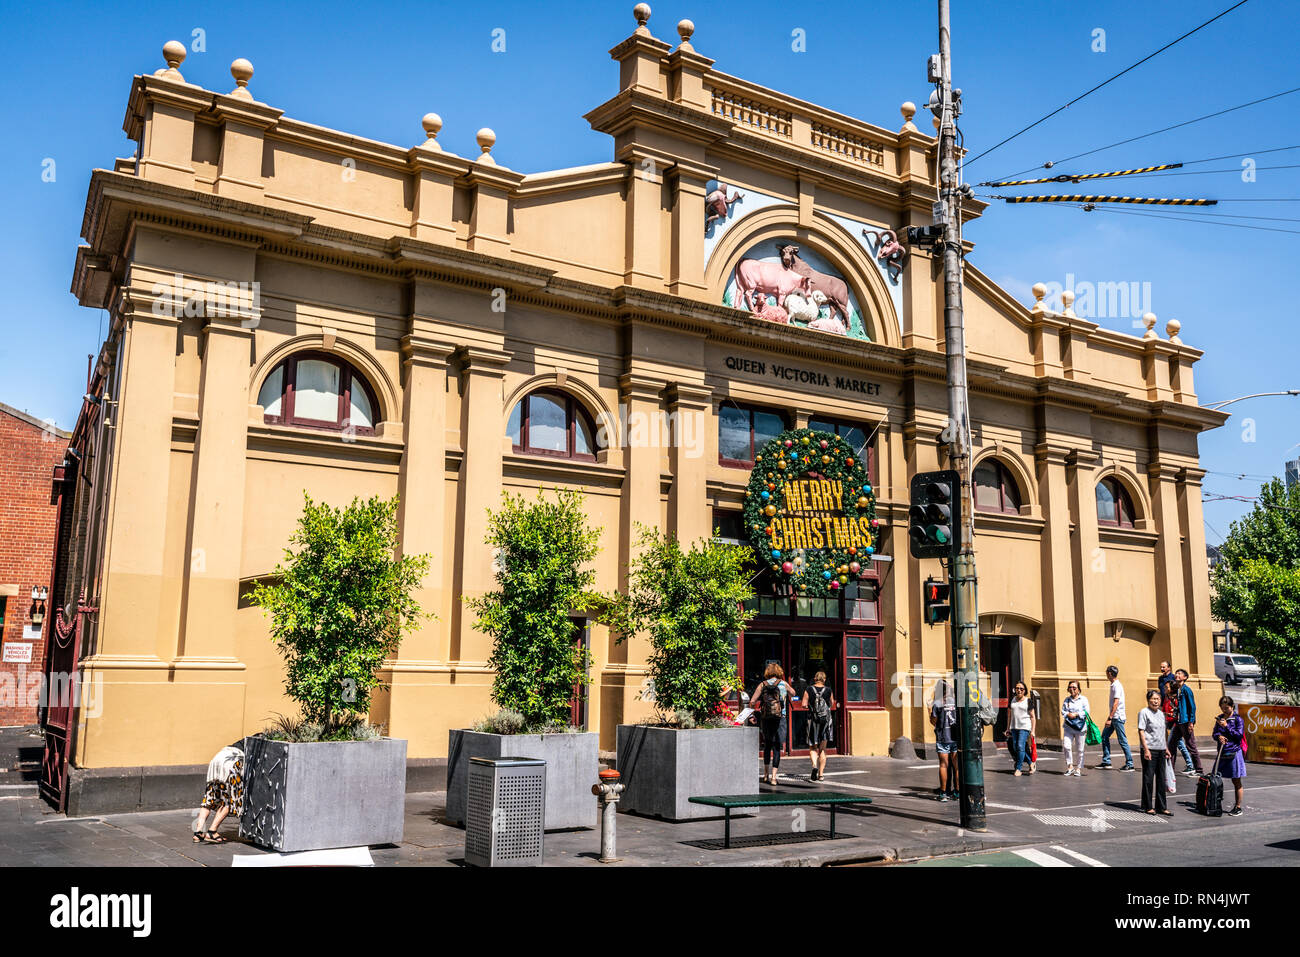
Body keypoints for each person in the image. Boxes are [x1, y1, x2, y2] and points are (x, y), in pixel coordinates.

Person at [752, 663, 794, 785]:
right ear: (779, 671)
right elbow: (794, 693)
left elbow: (753, 700)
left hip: (766, 718)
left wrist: (752, 714)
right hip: (780, 718)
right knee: (777, 747)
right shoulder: (783, 684)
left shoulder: (762, 684)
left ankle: (765, 775)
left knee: (767, 745)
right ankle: (774, 777)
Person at [194, 743, 244, 844]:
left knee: (209, 797)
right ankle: (212, 831)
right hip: (232, 764)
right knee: (228, 801)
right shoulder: (256, 744)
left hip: (218, 759)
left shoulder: (241, 742)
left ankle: (198, 832)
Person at [1137, 690, 1172, 815]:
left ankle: (1161, 807)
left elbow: (1164, 733)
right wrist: (1145, 749)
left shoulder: (1161, 714)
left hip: (1161, 749)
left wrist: (1166, 748)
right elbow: (1141, 731)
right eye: (1153, 699)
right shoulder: (1144, 712)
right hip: (1150, 750)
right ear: (1148, 700)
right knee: (1148, 779)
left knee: (1161, 779)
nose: (1156, 701)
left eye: (1158, 699)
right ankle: (1147, 806)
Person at [1212, 695, 1247, 816]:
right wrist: (1219, 736)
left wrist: (1226, 727)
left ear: (1232, 707)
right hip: (1222, 752)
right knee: (1215, 777)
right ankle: (1214, 803)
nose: (1224, 711)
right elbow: (1214, 733)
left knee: (1236, 780)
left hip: (1234, 752)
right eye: (1222, 708)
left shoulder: (1238, 719)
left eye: (1226, 708)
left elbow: (1238, 735)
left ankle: (1238, 807)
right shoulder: (1220, 718)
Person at [801, 670, 836, 781]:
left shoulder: (809, 689)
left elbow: (803, 704)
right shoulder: (829, 690)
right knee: (822, 749)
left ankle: (814, 766)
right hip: (825, 722)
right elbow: (831, 703)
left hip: (813, 721)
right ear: (824, 679)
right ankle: (821, 775)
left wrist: (810, 707)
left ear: (815, 679)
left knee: (812, 747)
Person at [1168, 669, 1204, 777]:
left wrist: (1191, 722)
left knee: (1190, 745)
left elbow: (1192, 706)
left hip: (1185, 721)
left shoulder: (1187, 690)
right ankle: (1170, 769)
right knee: (1171, 745)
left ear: (1185, 677)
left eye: (1179, 674)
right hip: (1179, 722)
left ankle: (1199, 770)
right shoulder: (1179, 690)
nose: (1177, 675)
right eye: (1176, 673)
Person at [1099, 665, 1135, 772]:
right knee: (1104, 736)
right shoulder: (1114, 684)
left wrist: (1110, 717)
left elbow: (1116, 703)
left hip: (1117, 717)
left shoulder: (1117, 686)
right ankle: (1106, 761)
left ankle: (1130, 763)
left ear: (1110, 673)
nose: (1106, 674)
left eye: (1106, 672)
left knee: (1122, 740)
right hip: (1114, 716)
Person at [930, 678, 960, 801]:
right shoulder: (956, 702)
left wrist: (929, 711)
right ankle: (957, 792)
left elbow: (933, 721)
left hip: (943, 737)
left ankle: (943, 793)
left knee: (943, 765)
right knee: (957, 766)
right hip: (955, 737)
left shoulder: (937, 703)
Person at [1005, 681, 1036, 775]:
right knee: (1016, 747)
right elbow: (1009, 715)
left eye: (1021, 689)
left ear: (1024, 690)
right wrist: (1008, 728)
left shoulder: (1028, 701)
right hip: (1014, 727)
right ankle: (1031, 763)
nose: (1019, 690)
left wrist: (1033, 730)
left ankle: (1018, 768)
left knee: (1019, 746)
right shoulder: (1012, 700)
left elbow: (1032, 717)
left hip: (1024, 727)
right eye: (1017, 688)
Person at [1061, 680, 1090, 777]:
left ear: (1079, 689)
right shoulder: (1067, 700)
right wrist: (1068, 714)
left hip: (1080, 727)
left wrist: (1076, 714)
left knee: (1080, 749)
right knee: (1066, 746)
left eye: (1074, 687)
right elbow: (1063, 711)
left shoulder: (1083, 699)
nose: (1072, 689)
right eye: (1070, 687)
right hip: (1069, 727)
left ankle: (1078, 768)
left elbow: (1087, 712)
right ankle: (1070, 766)